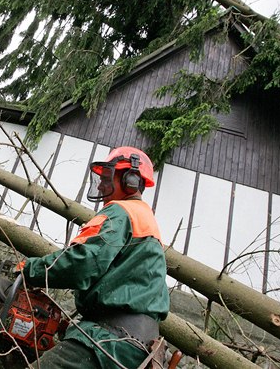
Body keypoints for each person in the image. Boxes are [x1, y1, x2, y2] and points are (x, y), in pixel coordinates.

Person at [21, 146, 170, 369]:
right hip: (135, 347)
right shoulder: (146, 221)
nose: (101, 184)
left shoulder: (121, 212)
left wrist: (28, 269)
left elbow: (81, 262)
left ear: (131, 179)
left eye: (107, 177)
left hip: (110, 341)